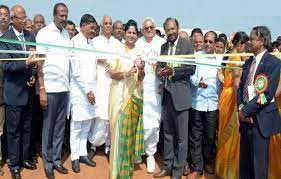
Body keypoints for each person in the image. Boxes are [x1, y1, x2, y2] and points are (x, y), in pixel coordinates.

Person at [237, 26, 281, 179]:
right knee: (245, 165)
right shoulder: (249, 62)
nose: (248, 42)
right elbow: (241, 87)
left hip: (260, 120)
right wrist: (241, 108)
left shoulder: (273, 62)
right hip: (245, 121)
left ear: (261, 41)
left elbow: (267, 95)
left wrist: (245, 111)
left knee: (259, 167)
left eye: (252, 38)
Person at [154, 17, 194, 179]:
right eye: (168, 29)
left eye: (173, 29)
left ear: (178, 28)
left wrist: (174, 72)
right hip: (167, 96)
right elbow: (159, 66)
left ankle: (177, 171)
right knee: (168, 134)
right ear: (165, 31)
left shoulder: (186, 45)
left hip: (181, 97)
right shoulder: (163, 47)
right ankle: (167, 167)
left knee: (182, 138)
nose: (171, 32)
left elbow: (191, 68)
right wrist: (159, 72)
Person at [0, 4, 38, 179]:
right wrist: (26, 64)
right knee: (13, 131)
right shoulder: (5, 39)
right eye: (21, 18)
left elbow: (34, 60)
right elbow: (6, 65)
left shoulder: (30, 36)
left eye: (25, 17)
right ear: (13, 19)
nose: (24, 20)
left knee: (27, 128)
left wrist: (33, 75)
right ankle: (14, 164)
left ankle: (24, 159)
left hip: (28, 91)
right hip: (14, 93)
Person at [36, 3, 71, 179]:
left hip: (64, 89)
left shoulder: (66, 34)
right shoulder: (44, 33)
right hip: (49, 89)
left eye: (66, 15)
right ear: (54, 15)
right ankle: (47, 162)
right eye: (61, 15)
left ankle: (57, 160)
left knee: (59, 128)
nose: (64, 18)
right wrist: (42, 89)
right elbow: (39, 64)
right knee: (48, 128)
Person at [108, 19, 145, 179]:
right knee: (118, 137)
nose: (131, 35)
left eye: (134, 33)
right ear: (124, 33)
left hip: (134, 97)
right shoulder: (117, 50)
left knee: (129, 139)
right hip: (119, 99)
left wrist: (141, 70)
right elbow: (112, 74)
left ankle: (126, 174)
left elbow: (141, 78)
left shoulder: (140, 52)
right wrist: (126, 74)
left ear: (137, 35)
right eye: (129, 32)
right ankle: (116, 174)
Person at [215, 31, 249, 179]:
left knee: (224, 134)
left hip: (225, 95)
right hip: (232, 98)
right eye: (245, 45)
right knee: (233, 135)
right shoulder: (236, 58)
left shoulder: (230, 55)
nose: (246, 48)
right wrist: (239, 105)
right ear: (240, 44)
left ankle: (222, 169)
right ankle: (231, 172)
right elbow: (236, 83)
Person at [188, 31, 220, 179]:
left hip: (213, 105)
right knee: (195, 136)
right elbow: (191, 76)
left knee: (209, 137)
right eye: (205, 41)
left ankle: (208, 161)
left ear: (215, 44)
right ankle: (198, 167)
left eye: (210, 42)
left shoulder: (220, 60)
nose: (207, 44)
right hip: (197, 102)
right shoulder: (196, 57)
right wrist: (197, 83)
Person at [135, 17, 166, 173]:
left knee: (153, 125)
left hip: (156, 90)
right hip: (139, 89)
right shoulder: (137, 44)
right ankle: (138, 151)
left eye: (151, 27)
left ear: (155, 28)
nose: (149, 30)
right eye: (146, 28)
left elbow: (167, 65)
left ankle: (151, 154)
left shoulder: (161, 44)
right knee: (140, 122)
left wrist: (164, 82)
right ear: (142, 30)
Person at [88, 15, 121, 158]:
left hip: (113, 84)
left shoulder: (117, 44)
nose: (108, 25)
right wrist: (100, 60)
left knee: (111, 116)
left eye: (110, 23)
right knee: (98, 115)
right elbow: (88, 59)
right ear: (101, 26)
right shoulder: (94, 42)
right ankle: (93, 145)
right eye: (105, 23)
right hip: (99, 83)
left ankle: (108, 145)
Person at [69, 14, 97, 173]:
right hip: (80, 92)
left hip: (92, 92)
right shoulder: (74, 42)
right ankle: (74, 157)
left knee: (87, 124)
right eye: (91, 27)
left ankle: (83, 154)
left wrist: (93, 91)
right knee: (77, 125)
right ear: (83, 26)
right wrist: (87, 91)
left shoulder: (91, 43)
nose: (93, 30)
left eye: (94, 28)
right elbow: (76, 71)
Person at [0, 4, 10, 176]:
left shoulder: (12, 38)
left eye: (5, 15)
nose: (2, 17)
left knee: (2, 129)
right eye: (0, 14)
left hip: (8, 90)